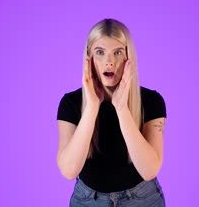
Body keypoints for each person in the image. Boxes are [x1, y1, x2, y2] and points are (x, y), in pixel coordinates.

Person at [57, 19, 167, 207]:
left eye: (117, 52)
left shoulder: (152, 101)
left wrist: (121, 108)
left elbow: (149, 170)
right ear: (88, 58)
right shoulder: (70, 103)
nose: (109, 62)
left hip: (143, 200)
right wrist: (92, 107)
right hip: (88, 201)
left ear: (128, 57)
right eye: (100, 52)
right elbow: (69, 170)